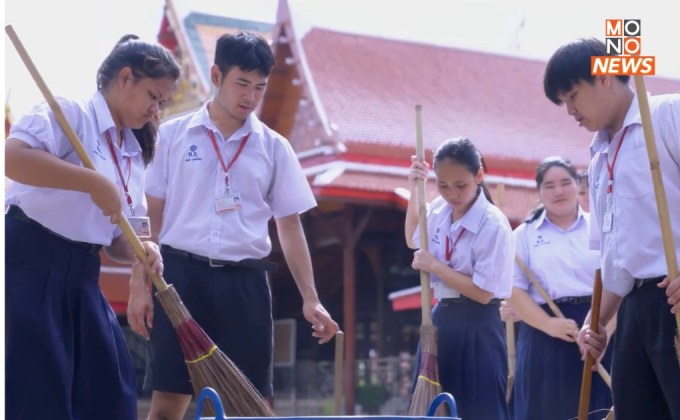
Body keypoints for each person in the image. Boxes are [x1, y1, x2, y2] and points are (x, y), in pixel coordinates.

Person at [130, 31, 339, 420]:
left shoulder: (275, 148)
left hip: (245, 287)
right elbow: (151, 218)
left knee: (248, 410)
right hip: (179, 281)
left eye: (259, 87)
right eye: (241, 83)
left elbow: (289, 226)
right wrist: (137, 286)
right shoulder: (172, 136)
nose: (250, 96)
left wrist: (311, 298)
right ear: (215, 75)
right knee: (166, 408)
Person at [5, 35, 179, 420]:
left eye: (162, 103)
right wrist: (92, 181)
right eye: (153, 96)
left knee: (112, 389)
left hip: (84, 274)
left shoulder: (134, 153)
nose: (155, 111)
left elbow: (119, 239)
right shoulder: (71, 113)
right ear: (125, 77)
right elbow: (13, 159)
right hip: (29, 262)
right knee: (40, 390)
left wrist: (142, 250)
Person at [544, 37, 680, 420]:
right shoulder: (598, 156)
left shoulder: (669, 116)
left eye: (573, 96)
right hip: (636, 310)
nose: (570, 111)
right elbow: (614, 259)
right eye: (563, 103)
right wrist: (596, 323)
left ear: (604, 76)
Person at [405, 137, 514, 420]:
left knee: (478, 408)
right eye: (442, 185)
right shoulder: (440, 209)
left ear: (479, 176)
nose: (451, 193)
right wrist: (415, 188)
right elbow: (412, 238)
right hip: (441, 319)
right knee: (434, 405)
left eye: (460, 185)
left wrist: (435, 266)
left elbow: (483, 293)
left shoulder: (492, 223)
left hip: (478, 323)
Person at [508, 156, 613, 420]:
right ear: (539, 192)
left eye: (565, 182)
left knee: (601, 407)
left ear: (578, 185)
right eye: (549, 185)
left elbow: (616, 279)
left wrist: (604, 333)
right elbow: (514, 290)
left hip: (598, 325)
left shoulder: (600, 227)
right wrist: (548, 325)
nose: (558, 191)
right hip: (546, 334)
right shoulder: (524, 235)